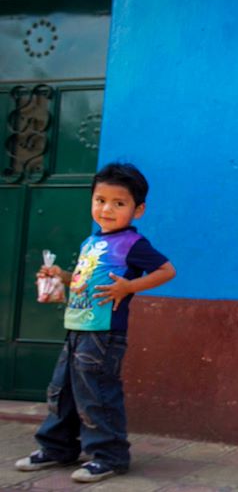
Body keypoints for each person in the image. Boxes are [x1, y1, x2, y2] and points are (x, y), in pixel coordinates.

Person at [15, 162, 176, 483]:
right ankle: (58, 447)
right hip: (77, 328)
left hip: (104, 334)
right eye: (100, 200)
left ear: (138, 210)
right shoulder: (91, 243)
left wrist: (129, 286)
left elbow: (167, 270)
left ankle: (110, 455)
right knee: (62, 391)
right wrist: (58, 276)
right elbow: (82, 281)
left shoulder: (133, 243)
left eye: (119, 203)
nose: (107, 209)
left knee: (97, 393)